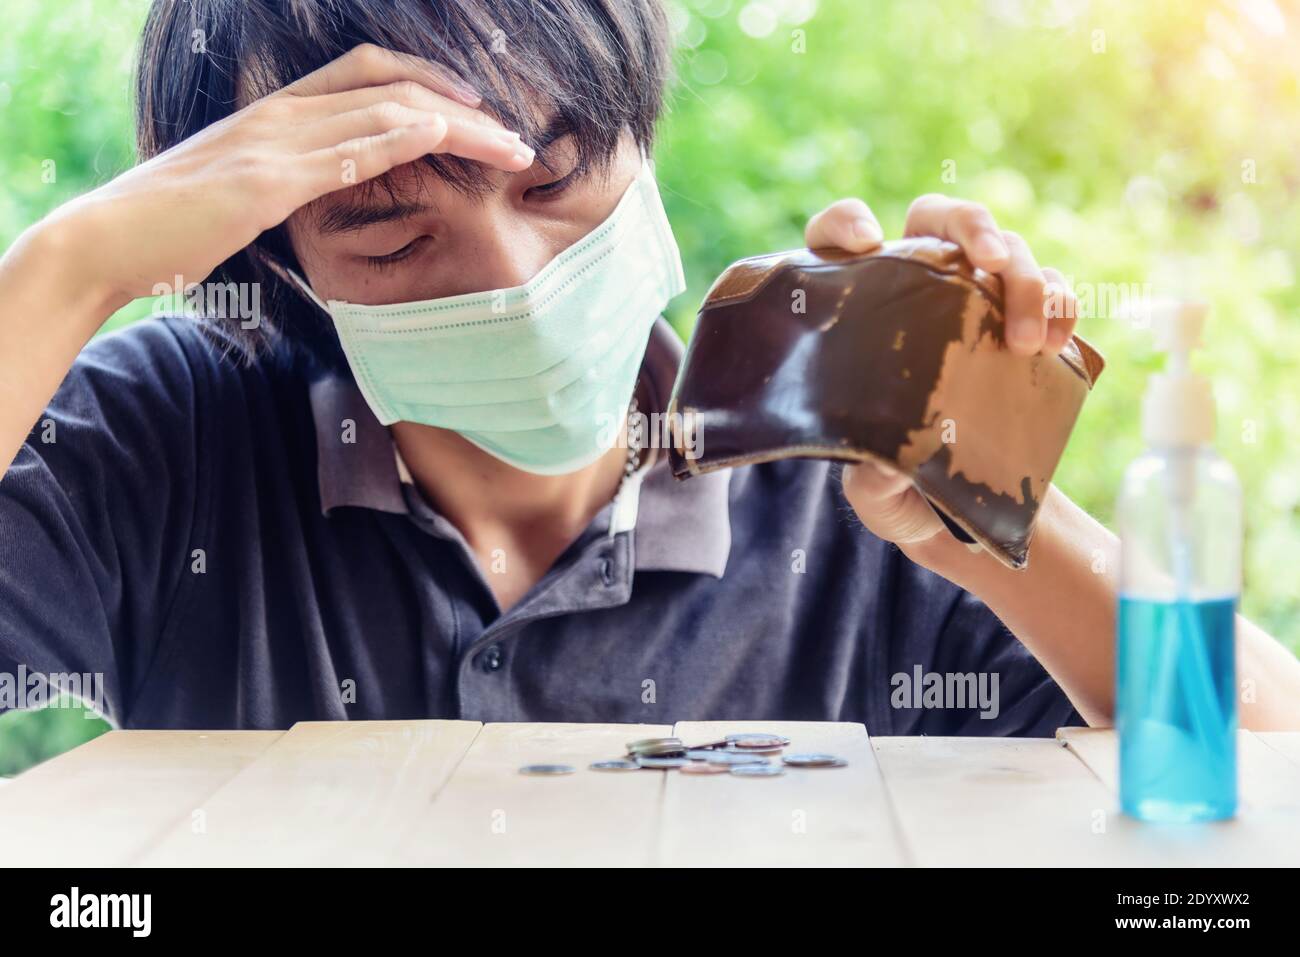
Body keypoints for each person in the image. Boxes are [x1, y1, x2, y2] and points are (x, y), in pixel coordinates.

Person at [1, 0, 1296, 734]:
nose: (510, 270)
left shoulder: (827, 455)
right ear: (276, 267)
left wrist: (972, 507)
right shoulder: (171, 441)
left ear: (648, 143)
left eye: (555, 178)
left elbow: (1259, 751)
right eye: (391, 233)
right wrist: (71, 267)